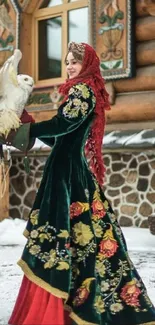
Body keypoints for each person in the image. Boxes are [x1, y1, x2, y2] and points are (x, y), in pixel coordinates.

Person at [6, 42, 155, 325]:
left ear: (87, 64)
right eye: (66, 62)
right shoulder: (82, 91)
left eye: (75, 61)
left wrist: (25, 129)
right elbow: (61, 136)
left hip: (68, 178)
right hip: (67, 171)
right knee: (85, 243)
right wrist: (28, 125)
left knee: (66, 240)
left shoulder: (82, 90)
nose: (70, 66)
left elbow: (62, 125)